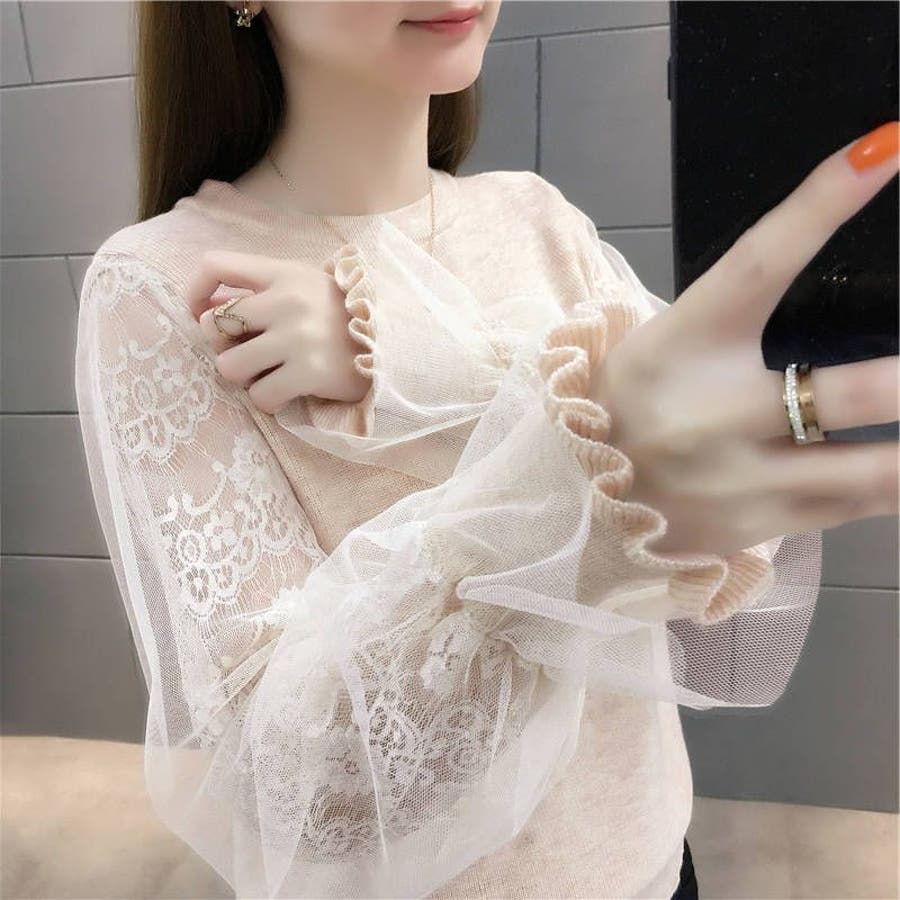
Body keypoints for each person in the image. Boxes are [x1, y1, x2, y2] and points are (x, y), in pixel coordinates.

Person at [73, 2, 899, 898]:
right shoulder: (163, 284)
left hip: (654, 866)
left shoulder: (539, 216)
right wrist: (572, 490)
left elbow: (728, 583)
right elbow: (303, 794)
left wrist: (425, 366)